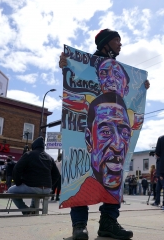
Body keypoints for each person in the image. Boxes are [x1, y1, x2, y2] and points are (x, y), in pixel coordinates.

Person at [59, 93, 133, 240]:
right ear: (89, 138)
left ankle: (108, 222)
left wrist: (142, 85)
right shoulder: (80, 186)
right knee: (79, 176)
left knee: (114, 189)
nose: (118, 144)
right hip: (81, 182)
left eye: (124, 132)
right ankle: (79, 224)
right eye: (106, 132)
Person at [8, 136, 59, 214]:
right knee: (35, 188)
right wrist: (50, 186)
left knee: (11, 191)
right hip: (47, 189)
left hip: (33, 187)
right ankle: (33, 209)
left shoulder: (29, 154)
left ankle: (26, 210)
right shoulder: (50, 158)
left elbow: (16, 169)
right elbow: (57, 174)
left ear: (34, 146)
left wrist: (18, 182)